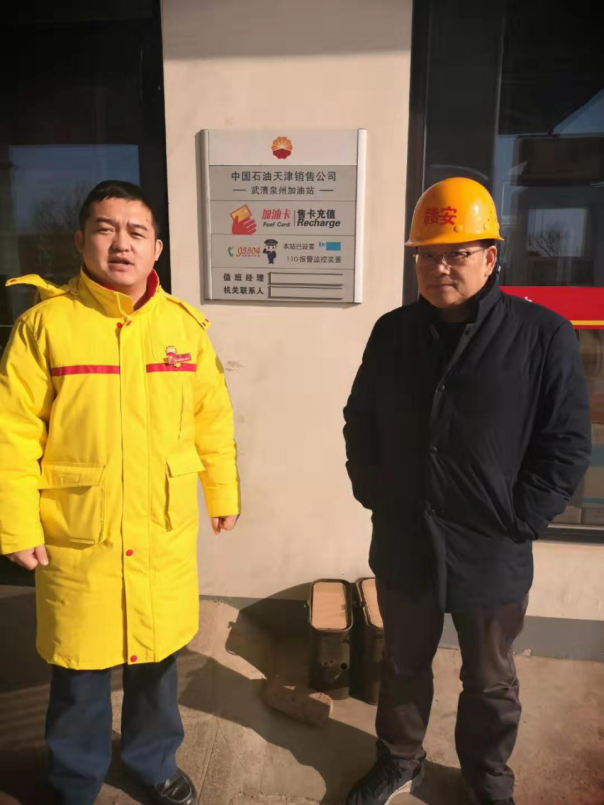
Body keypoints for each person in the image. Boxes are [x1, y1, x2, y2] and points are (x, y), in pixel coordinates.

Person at [343, 177, 591, 805]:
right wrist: (374, 490)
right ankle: (400, 759)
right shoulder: (393, 333)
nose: (439, 267)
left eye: (456, 253)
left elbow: (566, 443)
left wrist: (521, 518)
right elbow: (360, 419)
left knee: (490, 679)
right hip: (405, 540)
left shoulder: (543, 335)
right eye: (426, 255)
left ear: (490, 256)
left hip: (491, 546)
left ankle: (486, 775)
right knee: (403, 664)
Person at [0, 180, 240, 805]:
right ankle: (74, 781)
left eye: (137, 232)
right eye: (106, 229)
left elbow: (211, 417)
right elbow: (12, 434)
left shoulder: (183, 328)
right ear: (81, 240)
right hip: (81, 533)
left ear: (157, 247)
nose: (121, 244)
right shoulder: (45, 326)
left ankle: (152, 763)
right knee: (79, 670)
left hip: (158, 529)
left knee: (156, 662)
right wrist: (16, 525)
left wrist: (222, 492)